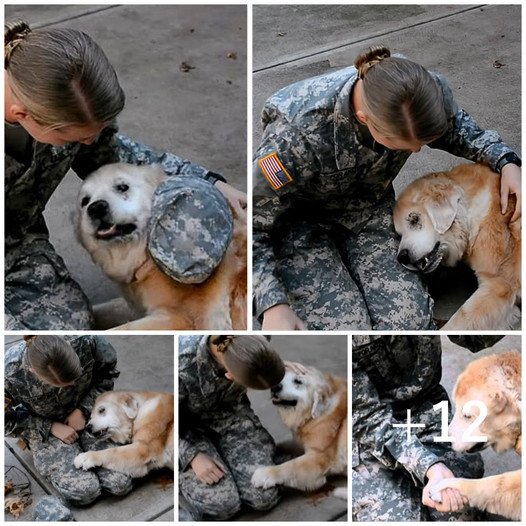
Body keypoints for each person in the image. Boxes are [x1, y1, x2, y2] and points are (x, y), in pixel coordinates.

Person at [253, 45, 521, 330]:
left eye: (420, 141)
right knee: (349, 329)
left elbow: (460, 131)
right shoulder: (294, 136)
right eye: (404, 144)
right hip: (298, 224)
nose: (417, 150)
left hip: (365, 209)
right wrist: (271, 303)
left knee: (408, 324)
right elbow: (252, 226)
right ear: (365, 118)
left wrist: (507, 162)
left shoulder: (420, 93)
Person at [4, 20, 246, 330]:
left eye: (96, 132)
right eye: (74, 139)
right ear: (21, 115)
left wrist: (212, 182)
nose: (89, 143)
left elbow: (123, 158)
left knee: (72, 329)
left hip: (17, 244)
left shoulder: (47, 87)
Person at [352, 334, 503, 521]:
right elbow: (367, 418)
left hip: (426, 414)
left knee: (457, 511)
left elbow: (472, 337)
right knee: (402, 518)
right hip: (365, 436)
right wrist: (430, 467)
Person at [5, 335, 132, 506]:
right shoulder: (9, 372)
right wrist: (49, 427)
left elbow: (108, 374)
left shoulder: (87, 341)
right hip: (46, 429)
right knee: (85, 492)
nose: (71, 385)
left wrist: (84, 409)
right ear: (33, 372)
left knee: (120, 482)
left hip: (90, 412)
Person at [179, 335, 285, 520]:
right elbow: (161, 423)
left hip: (229, 416)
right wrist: (191, 456)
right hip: (184, 431)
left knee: (264, 496)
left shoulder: (254, 339)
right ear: (230, 376)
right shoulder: (181, 365)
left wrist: (277, 369)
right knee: (223, 506)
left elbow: (259, 364)